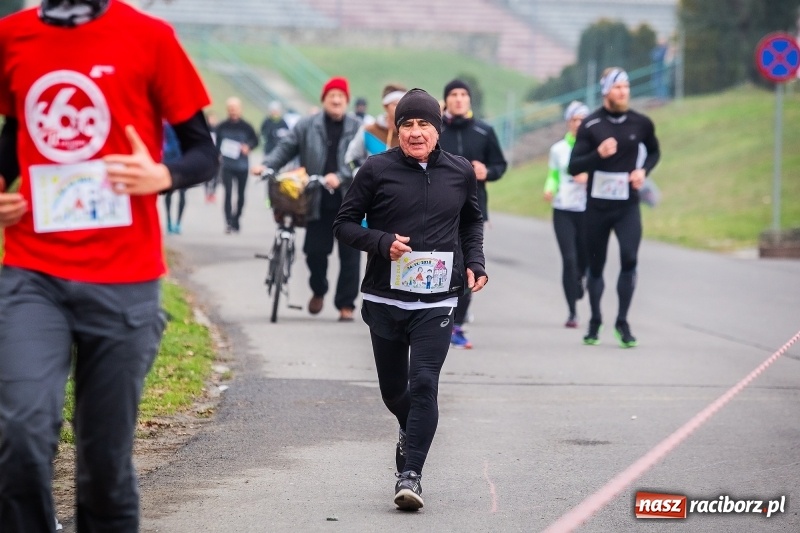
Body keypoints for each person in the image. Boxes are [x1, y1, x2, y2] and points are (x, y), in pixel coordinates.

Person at [0, 2, 218, 532]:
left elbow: (203, 152)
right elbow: (16, 131)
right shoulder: (11, 36)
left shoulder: (149, 37)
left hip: (125, 279)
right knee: (19, 434)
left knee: (104, 464)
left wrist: (160, 176)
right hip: (32, 270)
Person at [333, 88, 487, 511]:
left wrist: (474, 261)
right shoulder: (375, 169)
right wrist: (381, 242)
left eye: (423, 124)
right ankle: (410, 427)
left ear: (437, 128)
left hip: (437, 302)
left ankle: (411, 475)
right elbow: (344, 225)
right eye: (407, 125)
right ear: (396, 128)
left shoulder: (459, 172)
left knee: (423, 383)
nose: (415, 132)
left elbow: (472, 221)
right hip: (385, 299)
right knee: (393, 391)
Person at [254, 76, 361, 322]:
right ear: (324, 100)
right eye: (331, 96)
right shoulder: (306, 125)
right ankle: (319, 290)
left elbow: (365, 161)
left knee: (350, 256)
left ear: (346, 101)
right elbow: (285, 148)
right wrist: (266, 165)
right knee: (314, 252)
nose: (336, 100)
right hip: (315, 198)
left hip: (351, 200)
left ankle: (346, 305)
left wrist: (342, 175)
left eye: (341, 96)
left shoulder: (357, 128)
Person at [568, 67, 661, 347]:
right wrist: (598, 154)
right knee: (596, 267)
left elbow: (654, 151)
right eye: (618, 87)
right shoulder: (591, 124)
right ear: (606, 91)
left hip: (627, 206)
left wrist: (643, 170)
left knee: (630, 258)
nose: (623, 92)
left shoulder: (641, 123)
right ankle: (595, 320)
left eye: (626, 87)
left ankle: (622, 321)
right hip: (596, 208)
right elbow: (574, 165)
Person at [439, 79, 507, 349]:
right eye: (453, 94)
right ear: (446, 100)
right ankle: (435, 319)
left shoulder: (483, 130)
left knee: (468, 265)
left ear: (469, 100)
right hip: (439, 209)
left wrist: (487, 172)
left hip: (473, 209)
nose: (458, 99)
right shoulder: (436, 129)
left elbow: (500, 164)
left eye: (463, 94)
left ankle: (457, 324)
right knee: (443, 264)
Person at [544, 101, 590, 328]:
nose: (579, 124)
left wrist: (588, 179)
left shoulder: (595, 148)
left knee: (585, 260)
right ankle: (572, 312)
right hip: (563, 208)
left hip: (588, 210)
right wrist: (549, 188)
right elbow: (553, 174)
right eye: (575, 120)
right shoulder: (558, 149)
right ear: (569, 123)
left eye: (583, 119)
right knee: (569, 259)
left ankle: (582, 278)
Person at [344, 84, 406, 178]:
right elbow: (351, 157)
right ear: (385, 106)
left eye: (403, 104)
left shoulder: (410, 134)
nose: (400, 108)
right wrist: (358, 174)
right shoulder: (368, 131)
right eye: (395, 104)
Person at [216, 96, 258, 233]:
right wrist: (217, 156)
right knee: (227, 193)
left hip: (242, 166)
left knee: (240, 194)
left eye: (235, 108)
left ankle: (236, 218)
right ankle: (228, 221)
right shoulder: (222, 126)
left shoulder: (246, 127)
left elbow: (255, 141)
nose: (233, 111)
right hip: (227, 165)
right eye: (230, 109)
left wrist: (248, 147)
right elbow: (216, 144)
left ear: (240, 110)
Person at [162, 122, 186, 234]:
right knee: (169, 194)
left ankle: (178, 222)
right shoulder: (166, 126)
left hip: (183, 163)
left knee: (182, 194)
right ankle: (169, 221)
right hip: (169, 163)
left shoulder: (186, 125)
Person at [205, 110, 220, 202]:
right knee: (206, 174)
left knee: (216, 175)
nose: (212, 120)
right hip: (207, 154)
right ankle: (207, 192)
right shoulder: (205, 129)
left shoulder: (218, 130)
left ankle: (213, 192)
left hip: (216, 154)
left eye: (213, 119)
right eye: (210, 118)